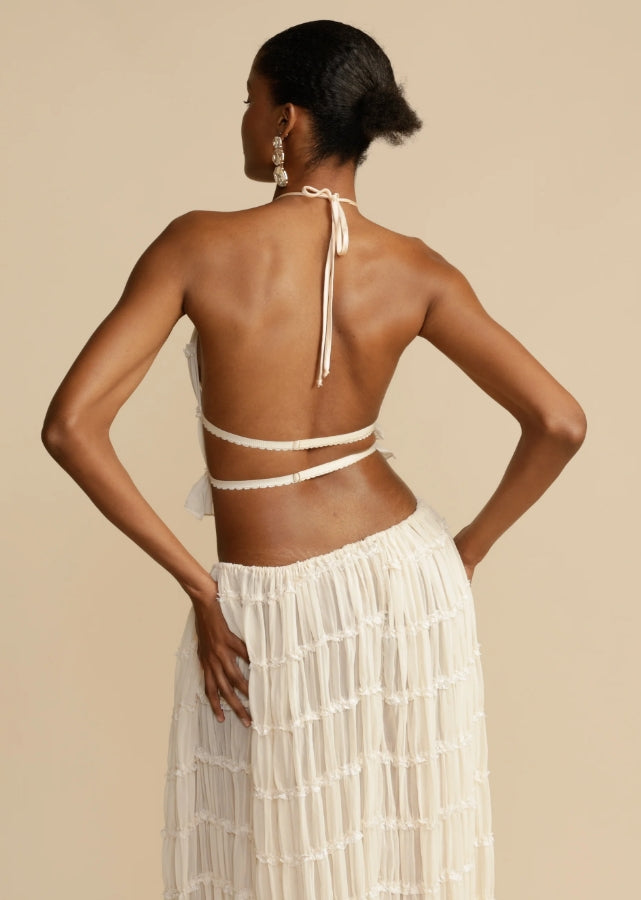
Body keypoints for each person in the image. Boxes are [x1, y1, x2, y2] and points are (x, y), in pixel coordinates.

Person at [41, 19, 586, 900]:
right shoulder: (419, 268)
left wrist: (200, 588)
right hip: (410, 580)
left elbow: (71, 426)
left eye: (248, 101)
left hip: (268, 599)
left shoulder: (196, 244)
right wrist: (464, 554)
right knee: (397, 858)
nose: (244, 119)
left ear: (285, 119)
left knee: (272, 864)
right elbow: (558, 422)